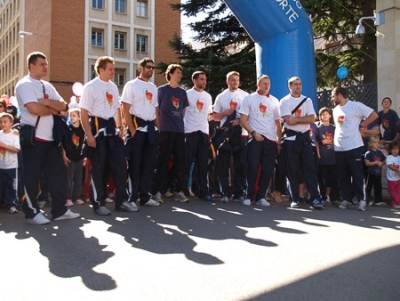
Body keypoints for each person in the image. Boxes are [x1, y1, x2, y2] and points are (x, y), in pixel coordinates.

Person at [15, 51, 80, 224]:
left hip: (52, 140)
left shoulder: (48, 86)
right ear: (32, 66)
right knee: (31, 176)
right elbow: (34, 109)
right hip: (33, 139)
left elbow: (64, 106)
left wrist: (47, 103)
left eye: (46, 64)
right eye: (42, 64)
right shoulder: (24, 85)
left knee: (58, 174)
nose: (46, 67)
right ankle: (31, 212)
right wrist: (53, 109)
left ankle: (60, 210)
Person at [80, 56, 136, 215]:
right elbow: (84, 112)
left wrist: (120, 127)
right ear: (101, 70)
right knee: (98, 168)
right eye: (110, 69)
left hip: (113, 130)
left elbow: (117, 108)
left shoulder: (112, 86)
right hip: (98, 129)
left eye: (113, 68)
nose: (113, 71)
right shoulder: (90, 87)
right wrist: (89, 135)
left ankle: (122, 201)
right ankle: (98, 203)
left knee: (120, 166)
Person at [331, 86, 378, 211]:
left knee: (357, 174)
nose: (332, 98)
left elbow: (373, 115)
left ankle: (363, 199)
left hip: (354, 146)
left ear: (339, 95)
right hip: (340, 148)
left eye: (333, 95)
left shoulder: (355, 106)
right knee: (343, 176)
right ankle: (347, 199)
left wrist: (362, 124)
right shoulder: (335, 110)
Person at [121, 57, 160, 207]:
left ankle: (145, 196)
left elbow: (155, 110)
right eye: (148, 67)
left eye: (152, 67)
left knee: (148, 165)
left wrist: (158, 129)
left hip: (151, 130)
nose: (151, 69)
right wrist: (132, 129)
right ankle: (131, 197)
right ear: (141, 68)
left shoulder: (153, 87)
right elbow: (125, 108)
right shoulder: (131, 85)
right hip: (137, 129)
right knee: (134, 164)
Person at [279, 76, 323, 209]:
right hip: (291, 140)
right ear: (290, 86)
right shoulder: (285, 101)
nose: (298, 86)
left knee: (310, 168)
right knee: (292, 170)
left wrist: (297, 119)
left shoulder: (307, 100)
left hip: (305, 139)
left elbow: (312, 118)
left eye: (300, 84)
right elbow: (289, 121)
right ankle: (295, 198)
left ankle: (315, 198)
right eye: (295, 84)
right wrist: (303, 119)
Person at [239, 75, 281, 206]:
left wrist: (278, 141)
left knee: (268, 170)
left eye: (268, 83)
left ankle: (261, 197)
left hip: (270, 139)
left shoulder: (274, 101)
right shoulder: (249, 98)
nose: (266, 86)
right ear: (258, 84)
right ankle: (249, 196)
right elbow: (242, 120)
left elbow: (278, 124)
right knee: (253, 167)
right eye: (264, 83)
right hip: (255, 138)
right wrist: (253, 133)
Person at [153, 64, 189, 203]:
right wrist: (159, 127)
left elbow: (183, 111)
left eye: (181, 72)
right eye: (178, 72)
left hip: (179, 130)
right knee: (162, 161)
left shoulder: (182, 92)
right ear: (171, 74)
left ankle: (179, 191)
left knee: (180, 161)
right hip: (165, 130)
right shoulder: (161, 90)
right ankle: (157, 191)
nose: (180, 75)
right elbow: (156, 109)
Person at [212, 71, 249, 202]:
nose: (235, 82)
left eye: (237, 80)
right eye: (232, 80)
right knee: (223, 165)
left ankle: (239, 193)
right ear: (227, 81)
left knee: (240, 164)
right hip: (226, 134)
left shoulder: (245, 96)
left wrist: (240, 120)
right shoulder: (221, 97)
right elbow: (214, 116)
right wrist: (224, 113)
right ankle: (225, 194)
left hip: (242, 134)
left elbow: (250, 115)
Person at [184, 71, 214, 201]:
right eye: (201, 79)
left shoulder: (208, 96)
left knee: (203, 164)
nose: (204, 82)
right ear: (194, 80)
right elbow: (183, 113)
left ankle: (203, 191)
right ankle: (183, 190)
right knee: (187, 162)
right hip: (190, 131)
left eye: (205, 79)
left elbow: (208, 114)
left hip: (203, 132)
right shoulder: (187, 94)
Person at [315, 107, 339, 204]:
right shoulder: (319, 128)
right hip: (323, 156)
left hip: (333, 156)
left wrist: (332, 141)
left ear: (330, 115)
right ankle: (323, 195)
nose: (324, 116)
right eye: (322, 114)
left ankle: (330, 196)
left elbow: (337, 140)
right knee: (323, 177)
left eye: (326, 114)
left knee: (332, 177)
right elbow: (323, 141)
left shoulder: (334, 127)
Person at [63, 108, 85, 207]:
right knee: (69, 178)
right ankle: (68, 197)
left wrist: (85, 156)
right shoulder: (68, 128)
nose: (72, 117)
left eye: (74, 115)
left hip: (79, 157)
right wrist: (64, 155)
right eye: (71, 115)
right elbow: (64, 143)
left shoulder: (83, 130)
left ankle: (77, 196)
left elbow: (85, 143)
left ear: (79, 117)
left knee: (78, 177)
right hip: (70, 157)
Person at [0, 113, 20, 213]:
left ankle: (11, 205)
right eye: (1, 122)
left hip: (11, 166)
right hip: (0, 166)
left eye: (5, 122)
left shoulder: (14, 135)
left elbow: (16, 149)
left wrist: (3, 145)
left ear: (11, 123)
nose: (3, 124)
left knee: (11, 186)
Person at [364, 136, 386, 206]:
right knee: (369, 186)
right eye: (374, 142)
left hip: (378, 173)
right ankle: (367, 200)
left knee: (378, 186)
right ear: (370, 144)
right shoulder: (368, 153)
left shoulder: (380, 153)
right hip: (371, 172)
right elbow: (367, 163)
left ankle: (378, 200)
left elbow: (384, 160)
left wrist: (381, 163)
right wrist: (375, 162)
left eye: (378, 143)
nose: (377, 144)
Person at [386, 140, 400, 209]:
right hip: (391, 179)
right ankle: (398, 201)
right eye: (393, 149)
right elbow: (390, 166)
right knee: (392, 191)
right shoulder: (389, 157)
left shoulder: (399, 157)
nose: (395, 151)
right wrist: (397, 170)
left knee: (397, 191)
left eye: (397, 149)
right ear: (390, 150)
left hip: (398, 178)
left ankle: (394, 203)